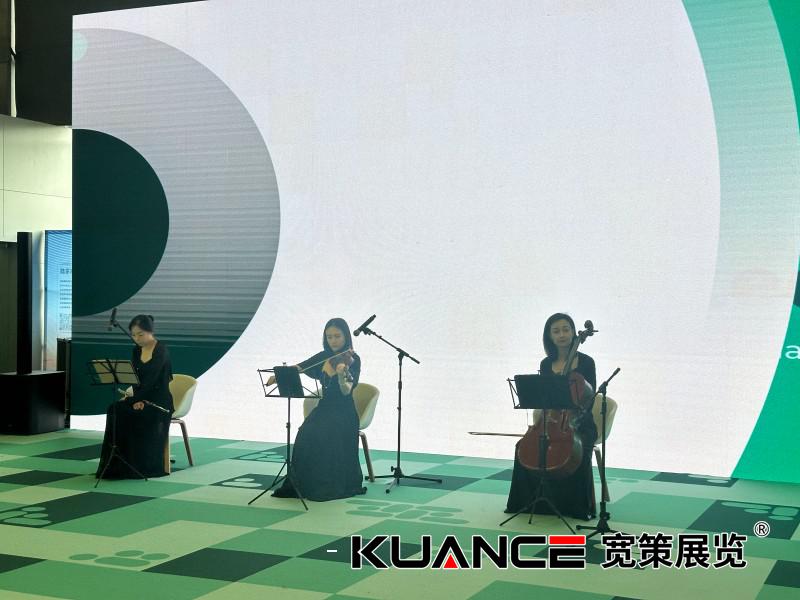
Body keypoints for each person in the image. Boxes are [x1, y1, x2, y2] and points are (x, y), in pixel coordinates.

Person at [505, 312, 597, 519]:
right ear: (549, 336)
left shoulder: (587, 362)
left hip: (579, 422)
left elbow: (589, 399)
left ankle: (575, 507)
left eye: (566, 329)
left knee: (577, 448)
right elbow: (544, 398)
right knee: (523, 447)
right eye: (556, 331)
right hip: (551, 422)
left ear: (573, 332)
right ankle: (530, 502)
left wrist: (572, 417)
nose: (561, 334)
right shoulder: (546, 364)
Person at [272, 317, 367, 501]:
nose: (333, 341)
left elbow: (346, 391)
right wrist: (279, 376)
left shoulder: (353, 359)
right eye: (329, 337)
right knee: (305, 432)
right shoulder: (324, 356)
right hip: (325, 407)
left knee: (324, 433)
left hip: (344, 412)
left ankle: (325, 484)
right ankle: (305, 483)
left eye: (337, 336)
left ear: (346, 336)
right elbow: (300, 367)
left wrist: (341, 376)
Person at [96, 314, 174, 479]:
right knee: (115, 408)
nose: (137, 338)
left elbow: (152, 381)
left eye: (140, 334)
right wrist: (134, 399)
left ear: (150, 331)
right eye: (134, 335)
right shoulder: (136, 350)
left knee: (131, 412)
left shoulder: (161, 350)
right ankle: (118, 462)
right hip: (140, 397)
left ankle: (139, 464)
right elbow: (136, 380)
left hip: (159, 401)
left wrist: (138, 400)